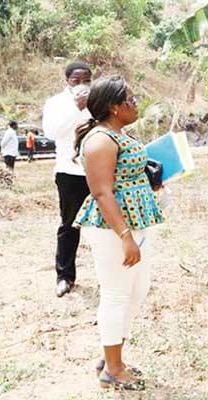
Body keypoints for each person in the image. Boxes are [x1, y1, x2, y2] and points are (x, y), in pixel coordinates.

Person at [73, 75, 164, 390]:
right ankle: (112, 368)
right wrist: (125, 236)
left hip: (136, 221)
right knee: (116, 294)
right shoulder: (100, 140)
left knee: (136, 291)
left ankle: (112, 355)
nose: (135, 103)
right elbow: (102, 192)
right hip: (114, 228)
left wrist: (150, 182)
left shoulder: (118, 134)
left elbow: (127, 174)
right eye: (130, 99)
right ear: (114, 107)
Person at [42, 61, 93, 297]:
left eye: (86, 80)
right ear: (67, 80)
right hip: (69, 172)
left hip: (98, 169)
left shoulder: (97, 99)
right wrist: (76, 106)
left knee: (109, 222)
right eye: (76, 80)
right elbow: (52, 132)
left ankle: (112, 273)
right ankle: (64, 277)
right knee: (70, 225)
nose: (82, 85)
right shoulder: (56, 103)